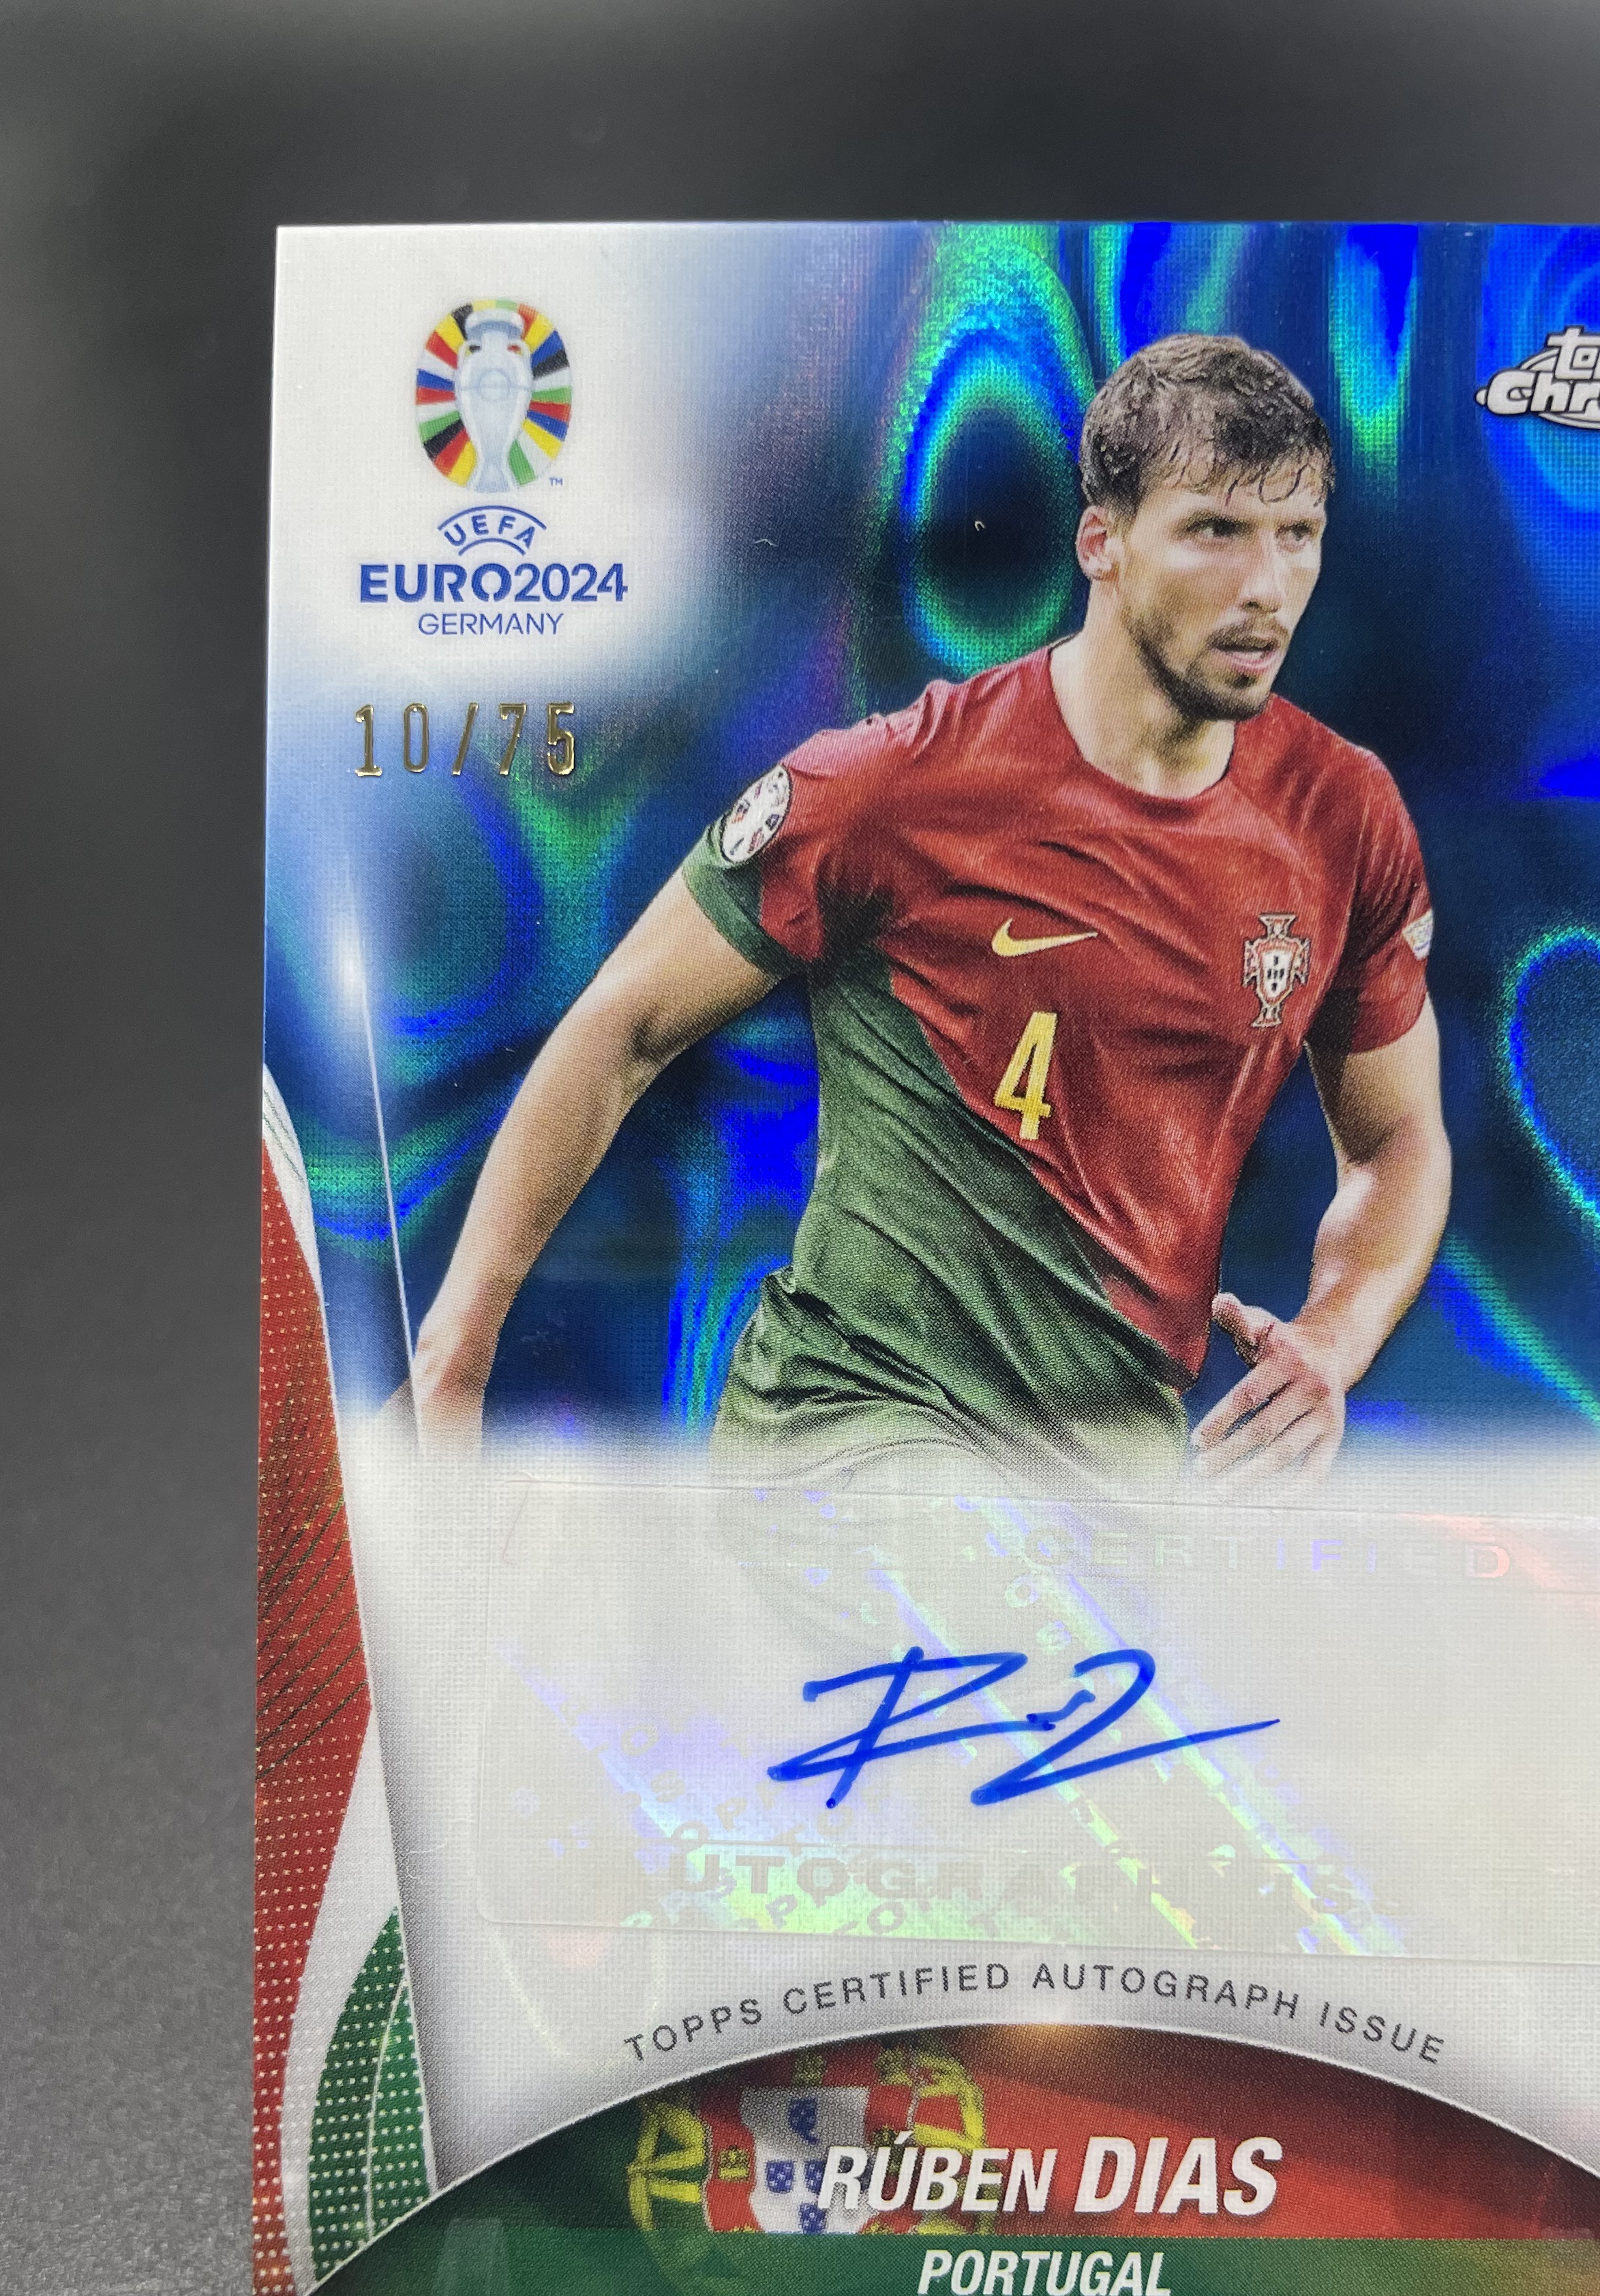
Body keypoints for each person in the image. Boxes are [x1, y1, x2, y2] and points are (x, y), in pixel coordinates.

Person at [413, 334, 1451, 1485]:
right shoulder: (897, 786)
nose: (1265, 586)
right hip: (845, 1430)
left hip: (1111, 1474)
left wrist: (1333, 1338)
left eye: (1297, 535)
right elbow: (625, 1022)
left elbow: (1397, 1139)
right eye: (1215, 530)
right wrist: (457, 1349)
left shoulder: (1342, 816)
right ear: (1101, 544)